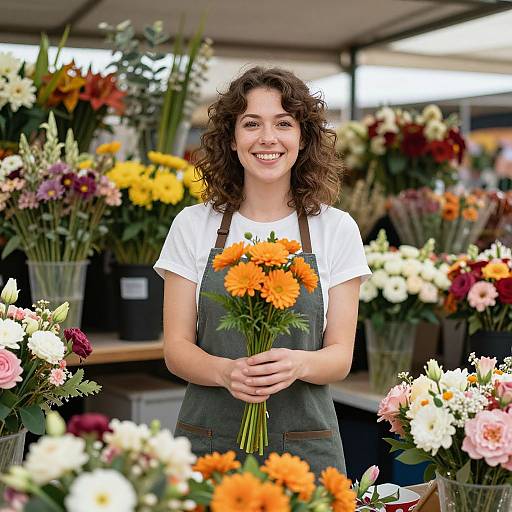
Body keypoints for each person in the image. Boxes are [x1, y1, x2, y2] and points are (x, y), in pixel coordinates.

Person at [154, 66, 371, 477]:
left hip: (304, 449)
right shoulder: (193, 224)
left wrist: (298, 365)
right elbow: (176, 349)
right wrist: (225, 372)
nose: (267, 138)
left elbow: (341, 356)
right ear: (232, 140)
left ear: (302, 138)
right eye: (251, 123)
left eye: (283, 123)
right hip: (210, 443)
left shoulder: (336, 228)